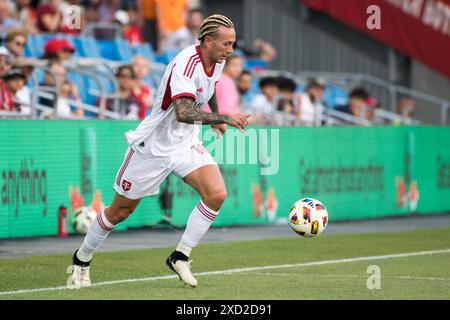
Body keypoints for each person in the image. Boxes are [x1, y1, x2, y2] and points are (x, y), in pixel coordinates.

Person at [68, 14, 249, 289]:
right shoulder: (185, 65)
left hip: (185, 143)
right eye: (227, 44)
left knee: (216, 194)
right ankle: (81, 259)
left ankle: (180, 256)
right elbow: (184, 112)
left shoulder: (218, 59)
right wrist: (223, 118)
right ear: (208, 41)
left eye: (233, 44)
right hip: (152, 147)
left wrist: (213, 114)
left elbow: (209, 87)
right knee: (120, 212)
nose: (231, 50)